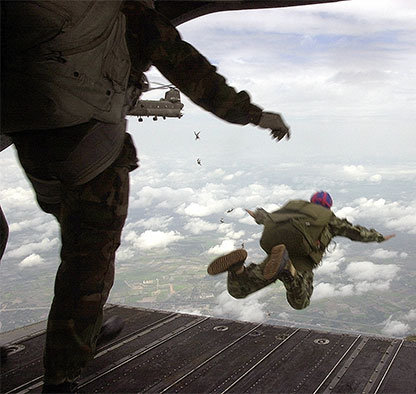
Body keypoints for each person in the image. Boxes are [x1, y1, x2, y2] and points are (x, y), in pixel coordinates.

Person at [1, 1, 289, 391]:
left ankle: (82, 328)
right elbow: (185, 65)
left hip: (33, 143)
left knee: (75, 239)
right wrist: (252, 114)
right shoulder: (120, 7)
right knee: (89, 261)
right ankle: (63, 372)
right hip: (91, 141)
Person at [208, 191, 396, 310]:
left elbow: (268, 218)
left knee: (239, 291)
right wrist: (379, 237)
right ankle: (288, 269)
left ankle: (237, 268)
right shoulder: (328, 218)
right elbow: (356, 233)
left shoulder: (294, 211)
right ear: (328, 207)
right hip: (299, 262)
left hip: (275, 251)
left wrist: (257, 214)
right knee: (300, 302)